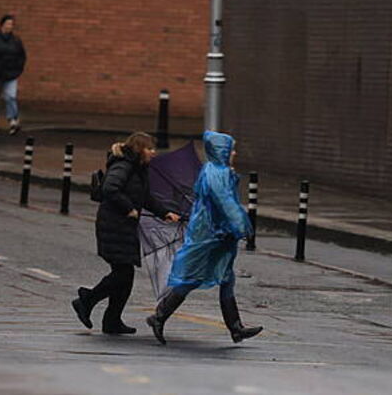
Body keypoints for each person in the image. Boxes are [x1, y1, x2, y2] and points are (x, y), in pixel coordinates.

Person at [146, 131, 263, 345]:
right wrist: (241, 223)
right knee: (193, 277)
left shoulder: (219, 171)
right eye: (231, 149)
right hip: (210, 234)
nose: (234, 152)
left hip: (217, 234)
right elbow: (225, 201)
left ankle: (236, 328)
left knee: (226, 277)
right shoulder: (216, 172)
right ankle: (159, 316)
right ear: (222, 151)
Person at [72, 132, 180, 334]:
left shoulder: (139, 169)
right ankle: (86, 300)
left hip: (124, 226)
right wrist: (128, 208)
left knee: (125, 275)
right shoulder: (124, 165)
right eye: (149, 148)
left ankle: (111, 320)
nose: (153, 152)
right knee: (123, 273)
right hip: (114, 224)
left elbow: (145, 197)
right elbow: (110, 188)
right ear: (139, 150)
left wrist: (164, 212)